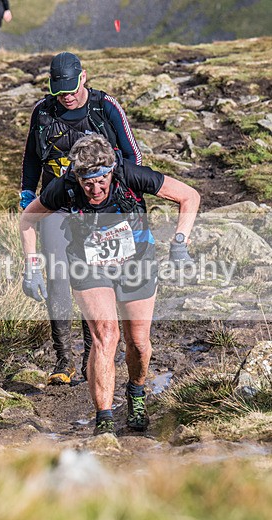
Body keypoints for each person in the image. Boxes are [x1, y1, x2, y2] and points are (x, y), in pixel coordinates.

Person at [20, 134, 199, 435]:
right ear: (76, 177)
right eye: (87, 183)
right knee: (106, 335)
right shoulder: (63, 188)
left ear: (111, 171)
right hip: (89, 265)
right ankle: (103, 418)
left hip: (137, 261)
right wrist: (32, 267)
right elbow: (28, 219)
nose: (95, 189)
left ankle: (136, 392)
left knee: (138, 343)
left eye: (101, 180)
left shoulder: (130, 174)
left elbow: (189, 196)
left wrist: (180, 241)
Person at [19, 51, 143, 385]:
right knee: (58, 275)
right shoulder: (43, 112)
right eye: (59, 90)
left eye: (72, 87)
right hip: (59, 204)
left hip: (101, 207)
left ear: (84, 77)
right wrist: (27, 195)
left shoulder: (106, 107)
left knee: (95, 278)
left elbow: (134, 155)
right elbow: (32, 159)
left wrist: (127, 200)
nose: (67, 95)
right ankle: (63, 360)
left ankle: (94, 353)